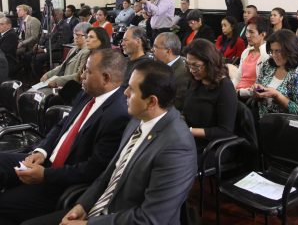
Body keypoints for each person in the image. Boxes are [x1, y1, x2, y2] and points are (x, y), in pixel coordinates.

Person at [24, 61, 197, 225]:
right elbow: (109, 173)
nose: (125, 92)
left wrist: (89, 223)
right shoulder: (137, 120)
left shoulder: (177, 148)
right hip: (101, 212)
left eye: (132, 90)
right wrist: (83, 205)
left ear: (151, 101)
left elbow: (151, 218)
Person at [0, 49, 132, 225]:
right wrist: (41, 152)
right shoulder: (87, 93)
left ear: (106, 78)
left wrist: (45, 175)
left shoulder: (118, 115)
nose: (81, 75)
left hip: (61, 181)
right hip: (46, 162)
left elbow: (92, 170)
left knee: (4, 204)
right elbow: (61, 126)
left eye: (87, 71)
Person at [183, 39, 238, 155]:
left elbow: (225, 131)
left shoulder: (225, 87)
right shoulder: (195, 81)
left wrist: (189, 131)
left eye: (196, 66)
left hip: (211, 146)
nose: (192, 70)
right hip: (190, 139)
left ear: (210, 63)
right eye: (188, 65)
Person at [252, 29, 298, 118]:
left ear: (290, 50)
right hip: (261, 117)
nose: (274, 55)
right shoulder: (268, 65)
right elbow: (258, 88)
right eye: (272, 51)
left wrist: (277, 96)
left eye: (278, 51)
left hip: (286, 123)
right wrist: (257, 91)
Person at [40, 22, 91, 88]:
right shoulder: (73, 49)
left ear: (86, 37)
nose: (75, 37)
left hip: (69, 86)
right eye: (74, 34)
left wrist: (57, 81)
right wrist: (48, 75)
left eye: (78, 35)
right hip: (62, 82)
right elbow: (62, 66)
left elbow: (78, 76)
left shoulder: (86, 52)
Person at [153, 32, 191, 111]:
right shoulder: (160, 65)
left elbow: (177, 105)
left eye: (155, 47)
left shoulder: (182, 74)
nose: (152, 50)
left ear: (168, 51)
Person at [233, 16, 269, 98]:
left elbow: (262, 88)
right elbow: (237, 78)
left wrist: (239, 92)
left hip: (249, 96)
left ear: (263, 34)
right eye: (247, 32)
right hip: (236, 93)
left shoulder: (267, 54)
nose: (248, 35)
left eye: (251, 32)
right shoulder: (246, 52)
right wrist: (230, 89)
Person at [31, 8, 72, 78]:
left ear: (60, 15)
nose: (52, 17)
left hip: (57, 51)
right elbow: (46, 38)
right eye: (52, 15)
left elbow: (60, 44)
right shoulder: (53, 25)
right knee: (30, 54)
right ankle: (33, 76)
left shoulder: (64, 26)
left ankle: (40, 78)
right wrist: (39, 45)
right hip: (48, 48)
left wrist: (44, 50)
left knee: (37, 58)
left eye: (54, 15)